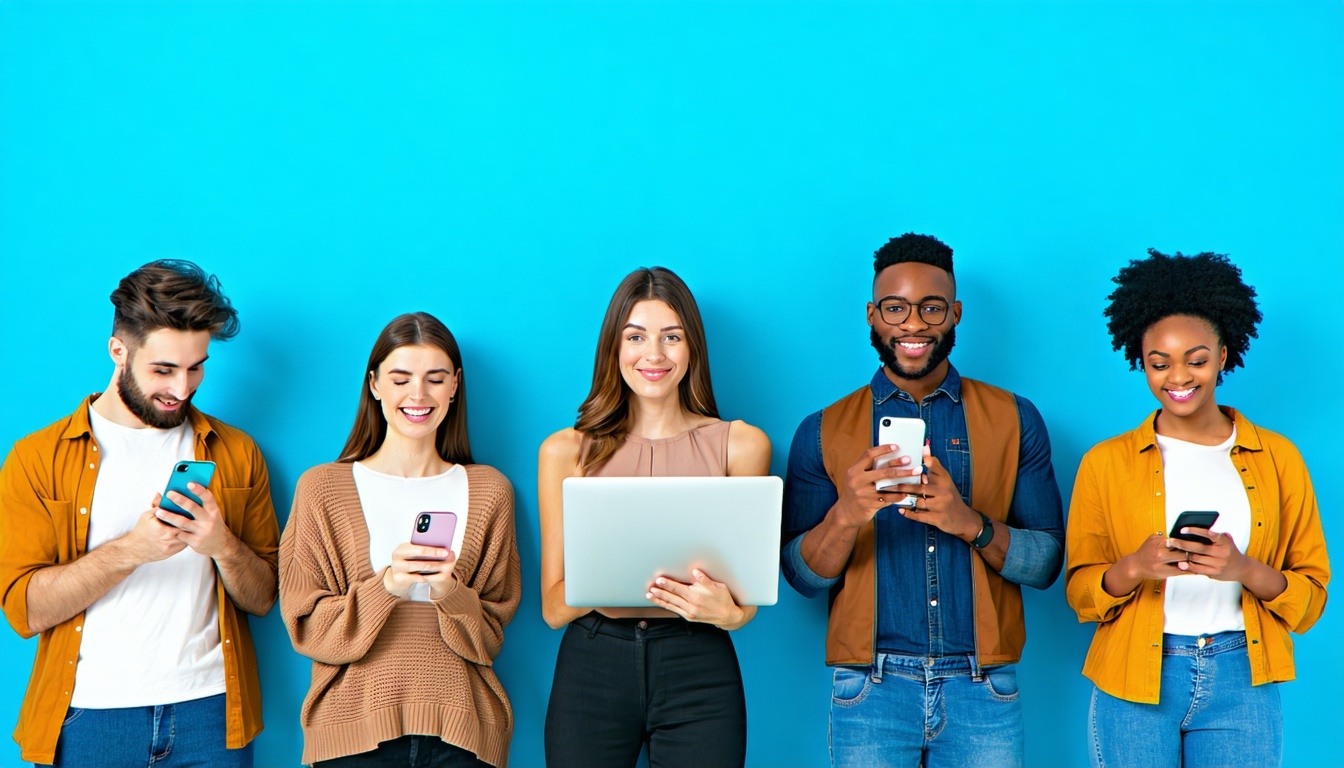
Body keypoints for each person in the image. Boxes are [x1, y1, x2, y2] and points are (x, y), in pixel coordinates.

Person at [781, 233, 1064, 768]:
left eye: (931, 308)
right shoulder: (820, 431)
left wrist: (969, 523)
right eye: (896, 308)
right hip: (869, 688)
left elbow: (1048, 563)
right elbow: (801, 577)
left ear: (955, 313)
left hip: (983, 687)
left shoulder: (1016, 418)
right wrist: (846, 514)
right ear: (873, 314)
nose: (913, 324)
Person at [0, 260, 278, 767]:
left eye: (197, 366)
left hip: (211, 714)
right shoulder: (38, 459)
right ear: (118, 351)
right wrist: (132, 551)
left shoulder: (236, 452)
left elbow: (262, 598)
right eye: (164, 370)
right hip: (90, 718)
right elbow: (25, 610)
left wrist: (221, 545)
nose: (183, 387)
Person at [1065, 249, 1329, 768]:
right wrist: (1135, 567)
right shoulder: (1105, 463)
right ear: (1141, 360)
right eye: (1159, 363)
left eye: (1197, 359)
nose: (1178, 378)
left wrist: (1243, 569)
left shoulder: (1279, 458)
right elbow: (1079, 594)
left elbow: (1311, 599)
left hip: (1241, 674)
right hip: (1133, 673)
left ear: (1224, 355)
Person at [538, 267, 771, 768]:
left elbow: (745, 601)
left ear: (692, 349)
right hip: (593, 664)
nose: (654, 355)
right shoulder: (566, 452)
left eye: (671, 337)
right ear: (613, 349)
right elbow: (555, 608)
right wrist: (616, 572)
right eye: (636, 337)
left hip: (699, 664)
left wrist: (732, 615)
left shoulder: (742, 445)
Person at [280, 311, 520, 768]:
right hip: (353, 734)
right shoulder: (322, 488)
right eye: (400, 378)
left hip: (462, 734)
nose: (418, 394)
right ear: (374, 384)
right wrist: (387, 585)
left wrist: (449, 592)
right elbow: (306, 627)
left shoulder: (491, 490)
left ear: (455, 386)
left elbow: (490, 637)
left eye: (435, 378)